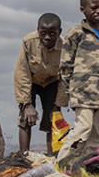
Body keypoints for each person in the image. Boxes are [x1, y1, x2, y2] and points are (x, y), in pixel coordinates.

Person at [57, 0, 99, 162]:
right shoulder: (76, 33)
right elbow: (65, 65)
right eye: (94, 7)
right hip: (83, 92)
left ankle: (85, 165)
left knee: (98, 133)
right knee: (83, 129)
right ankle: (62, 164)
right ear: (83, 9)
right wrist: (73, 88)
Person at [13, 13, 68, 156]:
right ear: (38, 30)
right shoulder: (28, 42)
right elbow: (21, 73)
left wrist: (57, 105)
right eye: (43, 33)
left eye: (52, 34)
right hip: (31, 81)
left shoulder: (65, 47)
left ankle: (51, 158)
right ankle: (24, 156)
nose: (47, 37)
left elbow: (66, 78)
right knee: (26, 118)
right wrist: (27, 104)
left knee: (52, 119)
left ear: (59, 32)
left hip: (52, 82)